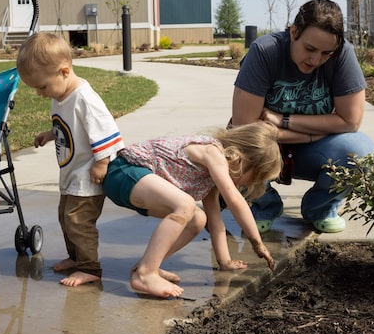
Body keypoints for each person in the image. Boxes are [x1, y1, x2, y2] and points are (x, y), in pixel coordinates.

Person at [231, 0, 374, 234]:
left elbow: (351, 121)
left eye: (326, 53)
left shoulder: (342, 55)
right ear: (294, 32)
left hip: (314, 146)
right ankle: (263, 205)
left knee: (361, 153)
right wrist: (310, 132)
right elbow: (244, 127)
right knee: (235, 149)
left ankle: (319, 208)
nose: (316, 60)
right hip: (265, 148)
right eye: (310, 49)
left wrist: (282, 121)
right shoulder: (264, 51)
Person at [102, 121, 282, 299]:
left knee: (198, 219)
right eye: (255, 177)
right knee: (185, 205)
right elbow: (234, 199)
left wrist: (225, 262)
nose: (251, 184)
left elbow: (215, 221)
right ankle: (145, 274)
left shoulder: (210, 177)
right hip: (124, 173)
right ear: (244, 160)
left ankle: (148, 265)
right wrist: (257, 243)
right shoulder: (213, 152)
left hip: (139, 187)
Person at [16, 33, 125, 287]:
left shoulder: (84, 98)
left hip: (88, 174)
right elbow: (70, 128)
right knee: (65, 217)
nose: (40, 94)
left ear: (64, 71)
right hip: (71, 174)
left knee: (79, 221)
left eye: (42, 87)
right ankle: (76, 258)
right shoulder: (60, 95)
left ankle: (90, 268)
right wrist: (49, 134)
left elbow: (106, 131)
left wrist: (102, 162)